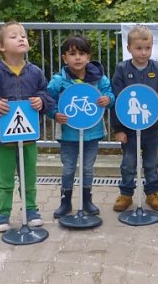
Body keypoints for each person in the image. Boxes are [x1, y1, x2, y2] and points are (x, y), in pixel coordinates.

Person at [0, 21, 55, 232]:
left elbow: (47, 95)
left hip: (29, 138)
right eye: (14, 36)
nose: (21, 39)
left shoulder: (35, 72)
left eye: (23, 35)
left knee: (29, 177)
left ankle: (31, 209)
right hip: (2, 139)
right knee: (4, 178)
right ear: (1, 46)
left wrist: (41, 101)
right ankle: (3, 213)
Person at [47, 34, 115, 218]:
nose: (77, 58)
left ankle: (86, 200)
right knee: (68, 168)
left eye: (82, 54)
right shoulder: (58, 81)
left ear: (88, 57)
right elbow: (48, 100)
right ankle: (65, 202)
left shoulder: (99, 79)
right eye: (72, 54)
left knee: (87, 168)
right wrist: (54, 114)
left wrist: (108, 99)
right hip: (68, 135)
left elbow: (110, 94)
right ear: (65, 58)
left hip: (92, 133)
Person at [110, 24, 158, 212]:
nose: (143, 52)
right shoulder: (122, 69)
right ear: (129, 48)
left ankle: (152, 192)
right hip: (129, 129)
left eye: (148, 48)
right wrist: (118, 129)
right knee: (128, 163)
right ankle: (126, 193)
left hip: (151, 129)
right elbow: (116, 100)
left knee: (151, 163)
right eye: (138, 48)